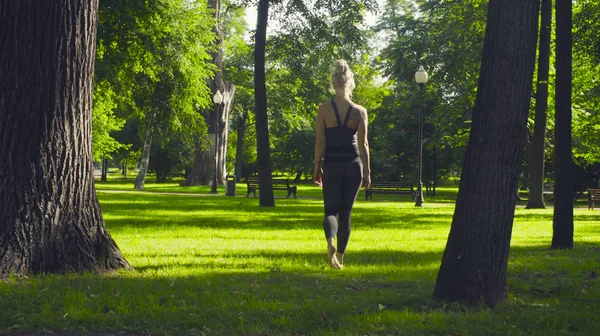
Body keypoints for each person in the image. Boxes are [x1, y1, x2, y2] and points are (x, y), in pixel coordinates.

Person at [313, 59, 371, 269]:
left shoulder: (324, 110)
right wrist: (367, 172)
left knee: (331, 210)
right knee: (346, 212)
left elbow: (321, 140)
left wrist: (317, 165)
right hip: (354, 164)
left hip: (332, 164)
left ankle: (330, 243)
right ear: (350, 83)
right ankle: (341, 257)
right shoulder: (359, 111)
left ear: (333, 82)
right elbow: (363, 144)